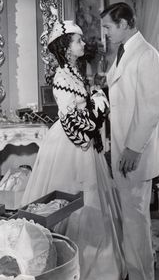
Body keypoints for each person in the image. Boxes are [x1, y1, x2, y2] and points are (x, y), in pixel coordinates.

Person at [22, 20, 126, 280]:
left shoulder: (75, 71)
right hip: (71, 143)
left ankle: (95, 261)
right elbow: (70, 118)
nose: (83, 44)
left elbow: (86, 100)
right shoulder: (61, 76)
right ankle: (66, 259)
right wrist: (96, 107)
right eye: (78, 40)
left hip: (83, 140)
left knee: (91, 199)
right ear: (66, 47)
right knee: (74, 198)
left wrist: (96, 99)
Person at [101, 2, 159, 280]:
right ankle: (137, 270)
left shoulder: (147, 55)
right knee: (133, 218)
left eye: (108, 27)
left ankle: (141, 275)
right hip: (123, 148)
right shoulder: (123, 53)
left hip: (133, 152)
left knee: (136, 219)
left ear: (125, 23)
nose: (105, 33)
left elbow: (152, 106)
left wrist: (132, 147)